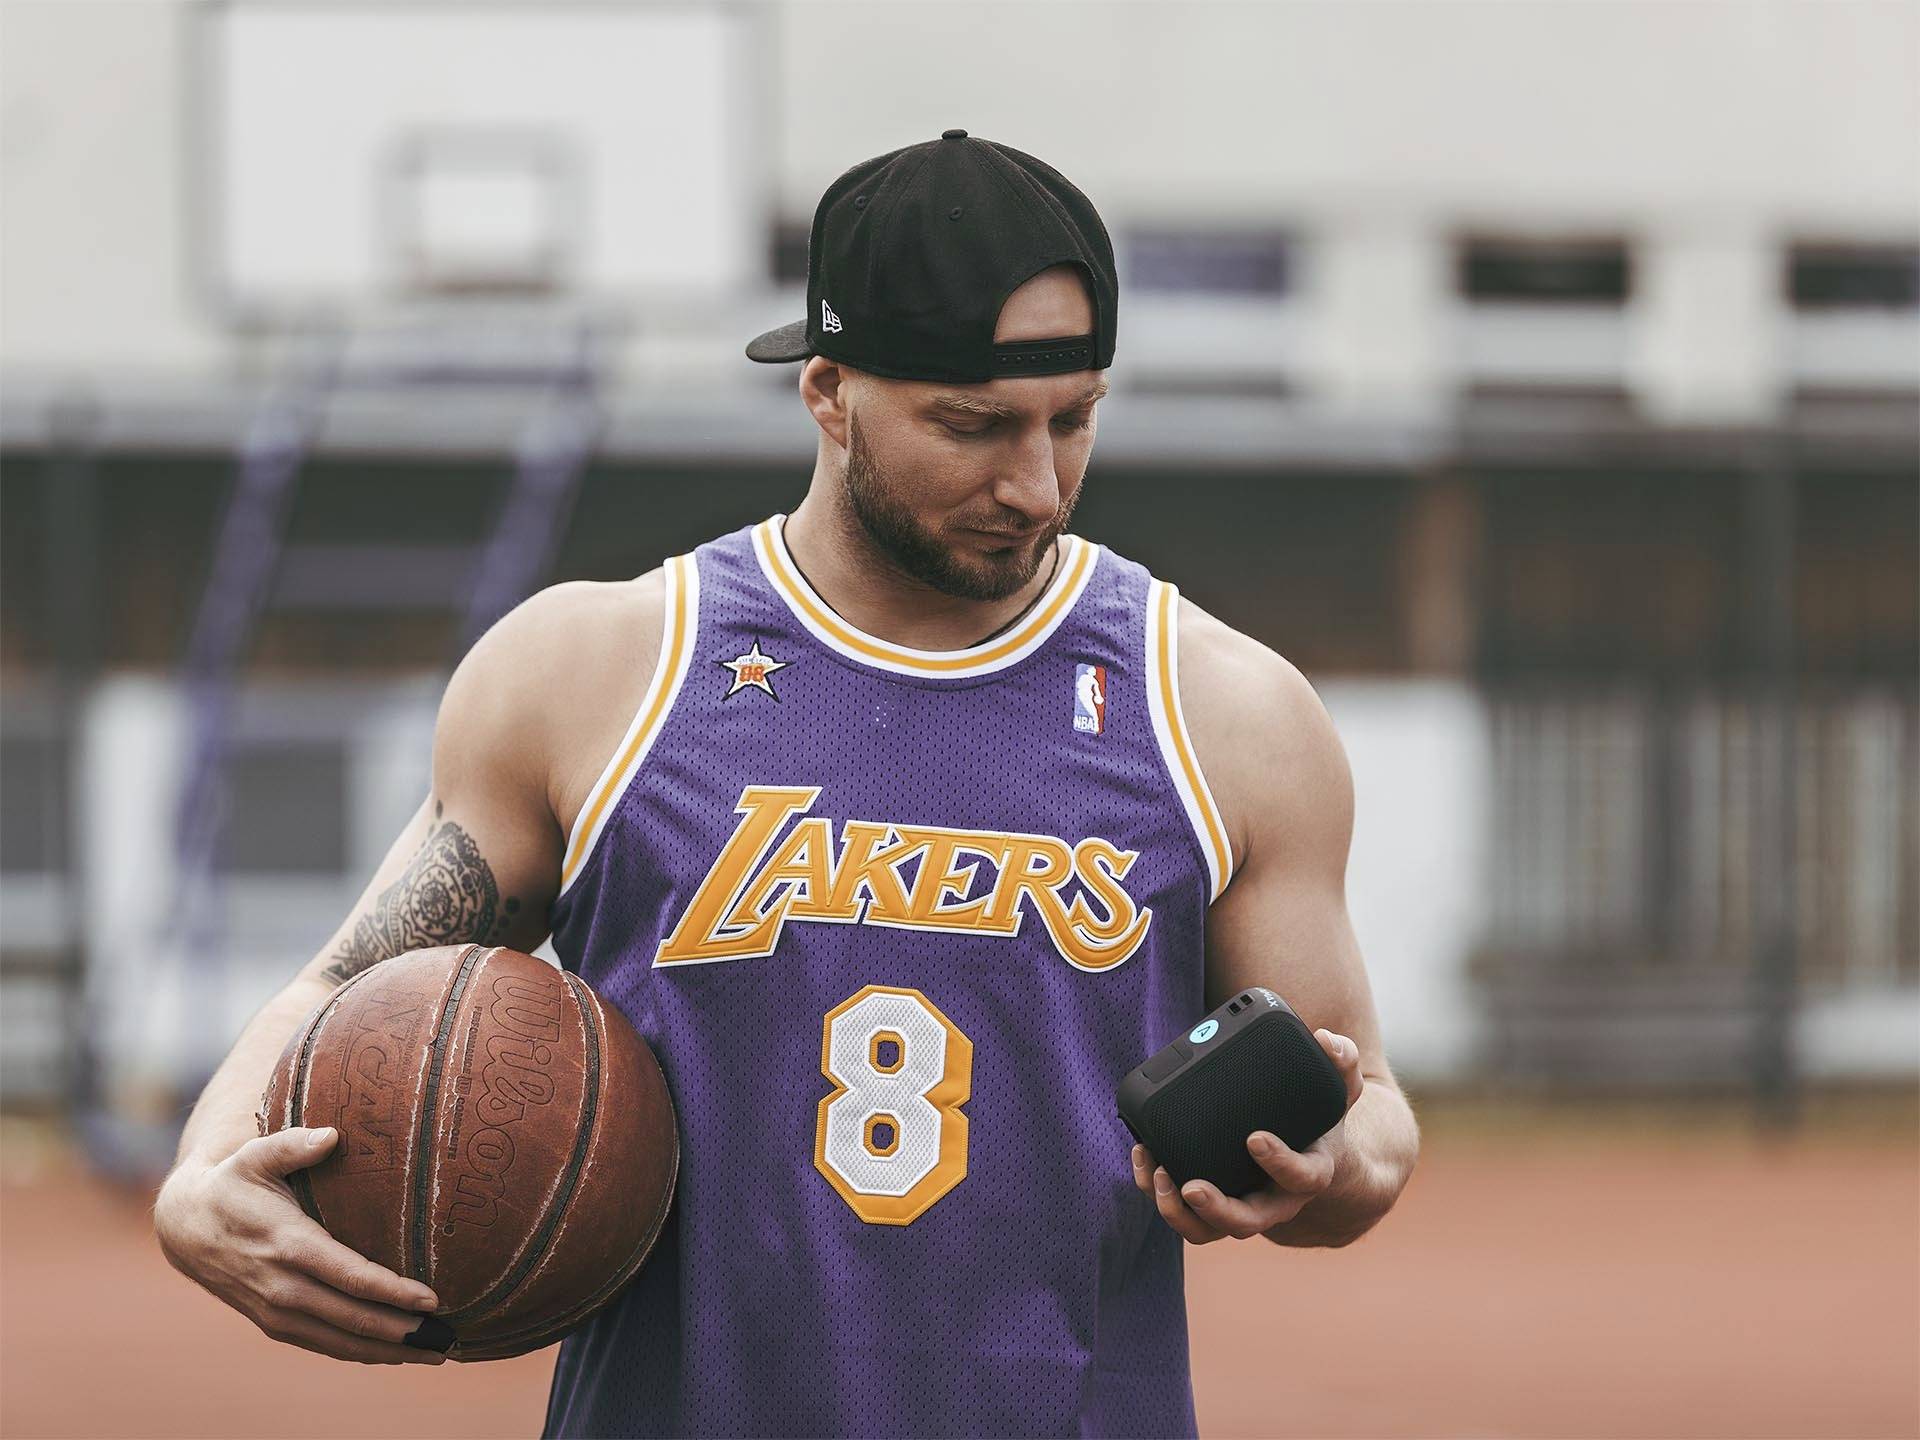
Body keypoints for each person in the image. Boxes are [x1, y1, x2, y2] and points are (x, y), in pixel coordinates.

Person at [153, 130, 1419, 1438]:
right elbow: (342, 986)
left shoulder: (1224, 715)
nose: (1034, 485)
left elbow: (1366, 1108)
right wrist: (201, 1177)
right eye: (973, 426)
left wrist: (1325, 1164)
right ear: (827, 392)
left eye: (1074, 419)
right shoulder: (595, 673)